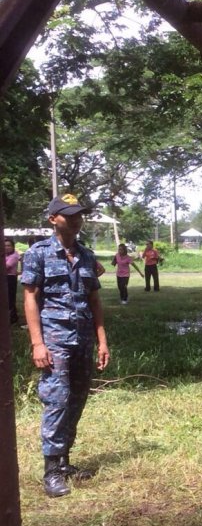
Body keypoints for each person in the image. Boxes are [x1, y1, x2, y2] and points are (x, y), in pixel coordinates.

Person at [21, 194, 110, 498]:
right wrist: (37, 343)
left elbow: (94, 300)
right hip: (55, 340)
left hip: (83, 339)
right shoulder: (38, 253)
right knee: (57, 401)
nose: (76, 220)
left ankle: (64, 461)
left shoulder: (86, 255)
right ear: (53, 219)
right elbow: (30, 299)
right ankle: (51, 471)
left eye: (79, 215)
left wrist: (102, 340)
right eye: (69, 215)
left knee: (77, 399)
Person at [5, 238, 22, 325]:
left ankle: (13, 318)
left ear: (13, 247)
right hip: (5, 278)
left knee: (10, 298)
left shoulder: (14, 256)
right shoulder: (5, 255)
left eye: (9, 245)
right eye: (5, 246)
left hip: (10, 278)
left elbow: (6, 267)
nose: (6, 247)